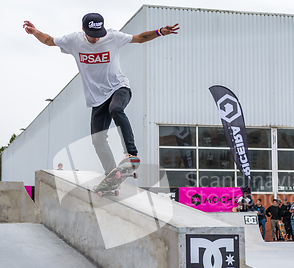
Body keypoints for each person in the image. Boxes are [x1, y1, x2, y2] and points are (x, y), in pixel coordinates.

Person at [23, 14, 179, 176]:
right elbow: (49, 41)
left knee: (116, 109)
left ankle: (131, 155)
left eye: (99, 35)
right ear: (84, 30)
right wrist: (35, 32)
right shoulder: (73, 40)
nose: (97, 39)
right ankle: (112, 173)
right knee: (97, 140)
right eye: (93, 35)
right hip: (98, 98)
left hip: (119, 88)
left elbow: (139, 38)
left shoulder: (112, 36)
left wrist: (160, 31)